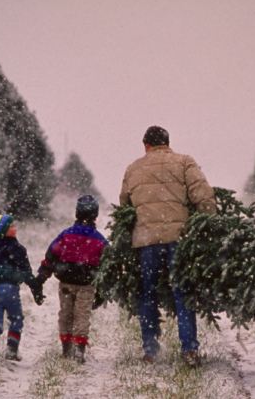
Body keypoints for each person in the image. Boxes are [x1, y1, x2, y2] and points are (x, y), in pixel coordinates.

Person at [119, 125, 216, 367]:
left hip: (146, 241)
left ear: (146, 145)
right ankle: (189, 349)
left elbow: (125, 206)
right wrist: (208, 222)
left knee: (148, 293)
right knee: (182, 293)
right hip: (178, 238)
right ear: (168, 143)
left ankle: (151, 350)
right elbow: (202, 196)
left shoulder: (133, 168)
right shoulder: (184, 162)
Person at [35, 195, 108, 363]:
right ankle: (79, 350)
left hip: (66, 282)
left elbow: (51, 256)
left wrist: (41, 277)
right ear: (95, 216)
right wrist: (103, 290)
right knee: (82, 315)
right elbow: (107, 265)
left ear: (76, 213)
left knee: (65, 315)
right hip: (86, 285)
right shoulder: (99, 240)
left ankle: (66, 348)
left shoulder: (66, 235)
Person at [0, 214, 44, 363]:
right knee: (16, 319)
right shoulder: (17, 249)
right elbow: (27, 273)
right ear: (3, 231)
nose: (15, 228)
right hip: (10, 290)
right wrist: (36, 290)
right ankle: (11, 350)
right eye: (11, 226)